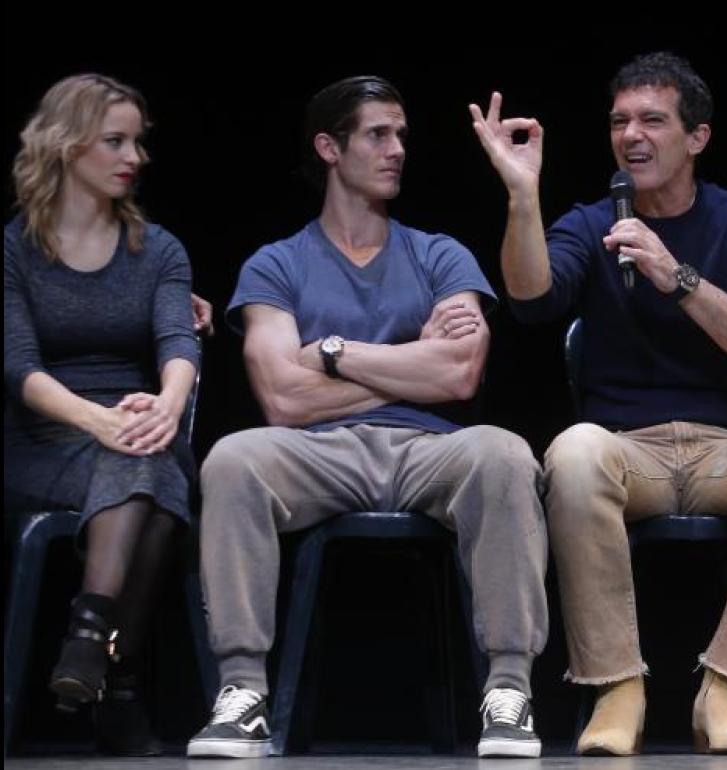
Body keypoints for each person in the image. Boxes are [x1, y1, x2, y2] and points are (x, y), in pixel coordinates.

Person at [471, 51, 727, 755]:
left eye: (652, 121)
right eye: (619, 122)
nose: (631, 136)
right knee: (573, 451)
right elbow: (529, 299)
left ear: (697, 137)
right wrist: (522, 196)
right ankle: (617, 688)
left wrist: (678, 277)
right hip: (626, 449)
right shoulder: (595, 221)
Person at [186, 76, 548, 759]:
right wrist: (414, 360)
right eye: (378, 135)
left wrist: (331, 354)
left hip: (428, 450)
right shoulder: (277, 264)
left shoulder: (439, 254)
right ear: (330, 148)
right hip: (318, 453)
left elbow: (460, 375)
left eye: (401, 135)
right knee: (233, 458)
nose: (397, 149)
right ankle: (242, 691)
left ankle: (509, 689)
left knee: (503, 452)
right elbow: (282, 399)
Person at [5, 73, 201, 755]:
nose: (134, 157)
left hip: (138, 423)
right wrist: (100, 422)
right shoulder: (13, 251)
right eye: (115, 141)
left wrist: (168, 403)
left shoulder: (158, 249)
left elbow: (178, 342)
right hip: (41, 439)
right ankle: (118, 682)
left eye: (138, 142)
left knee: (148, 460)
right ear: (66, 146)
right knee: (152, 473)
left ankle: (89, 640)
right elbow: (19, 368)